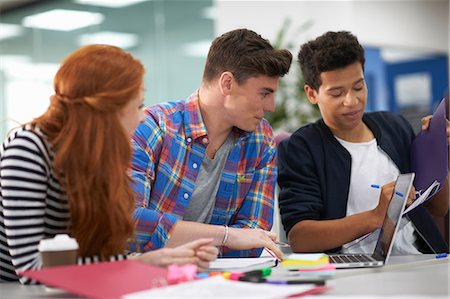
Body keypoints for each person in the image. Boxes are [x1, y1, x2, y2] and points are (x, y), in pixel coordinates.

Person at [0, 45, 218, 283]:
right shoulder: (29, 147)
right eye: (137, 105)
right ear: (107, 110)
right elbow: (31, 271)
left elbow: (103, 257)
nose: (143, 115)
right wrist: (139, 263)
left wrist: (168, 258)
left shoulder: (99, 156)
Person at [278, 31, 449, 254]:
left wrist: (437, 150)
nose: (352, 101)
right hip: (351, 270)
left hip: (419, 259)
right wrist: (375, 216)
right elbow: (300, 238)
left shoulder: (394, 126)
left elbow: (439, 207)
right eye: (337, 93)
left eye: (358, 87)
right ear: (312, 94)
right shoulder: (302, 148)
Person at [130, 28, 293, 258]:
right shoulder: (153, 126)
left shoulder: (261, 139)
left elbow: (253, 239)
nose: (271, 106)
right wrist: (227, 236)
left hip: (220, 281)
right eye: (264, 93)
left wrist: (175, 239)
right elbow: (129, 223)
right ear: (227, 83)